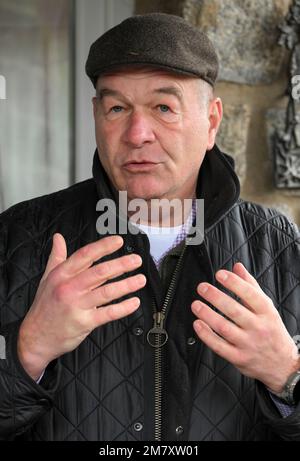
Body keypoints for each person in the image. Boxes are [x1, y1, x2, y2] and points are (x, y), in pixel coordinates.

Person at [0, 12, 299, 442]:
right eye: (117, 107)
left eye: (163, 107)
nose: (138, 133)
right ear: (96, 117)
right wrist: (26, 349)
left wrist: (289, 375)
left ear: (212, 122)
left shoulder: (281, 245)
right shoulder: (17, 238)